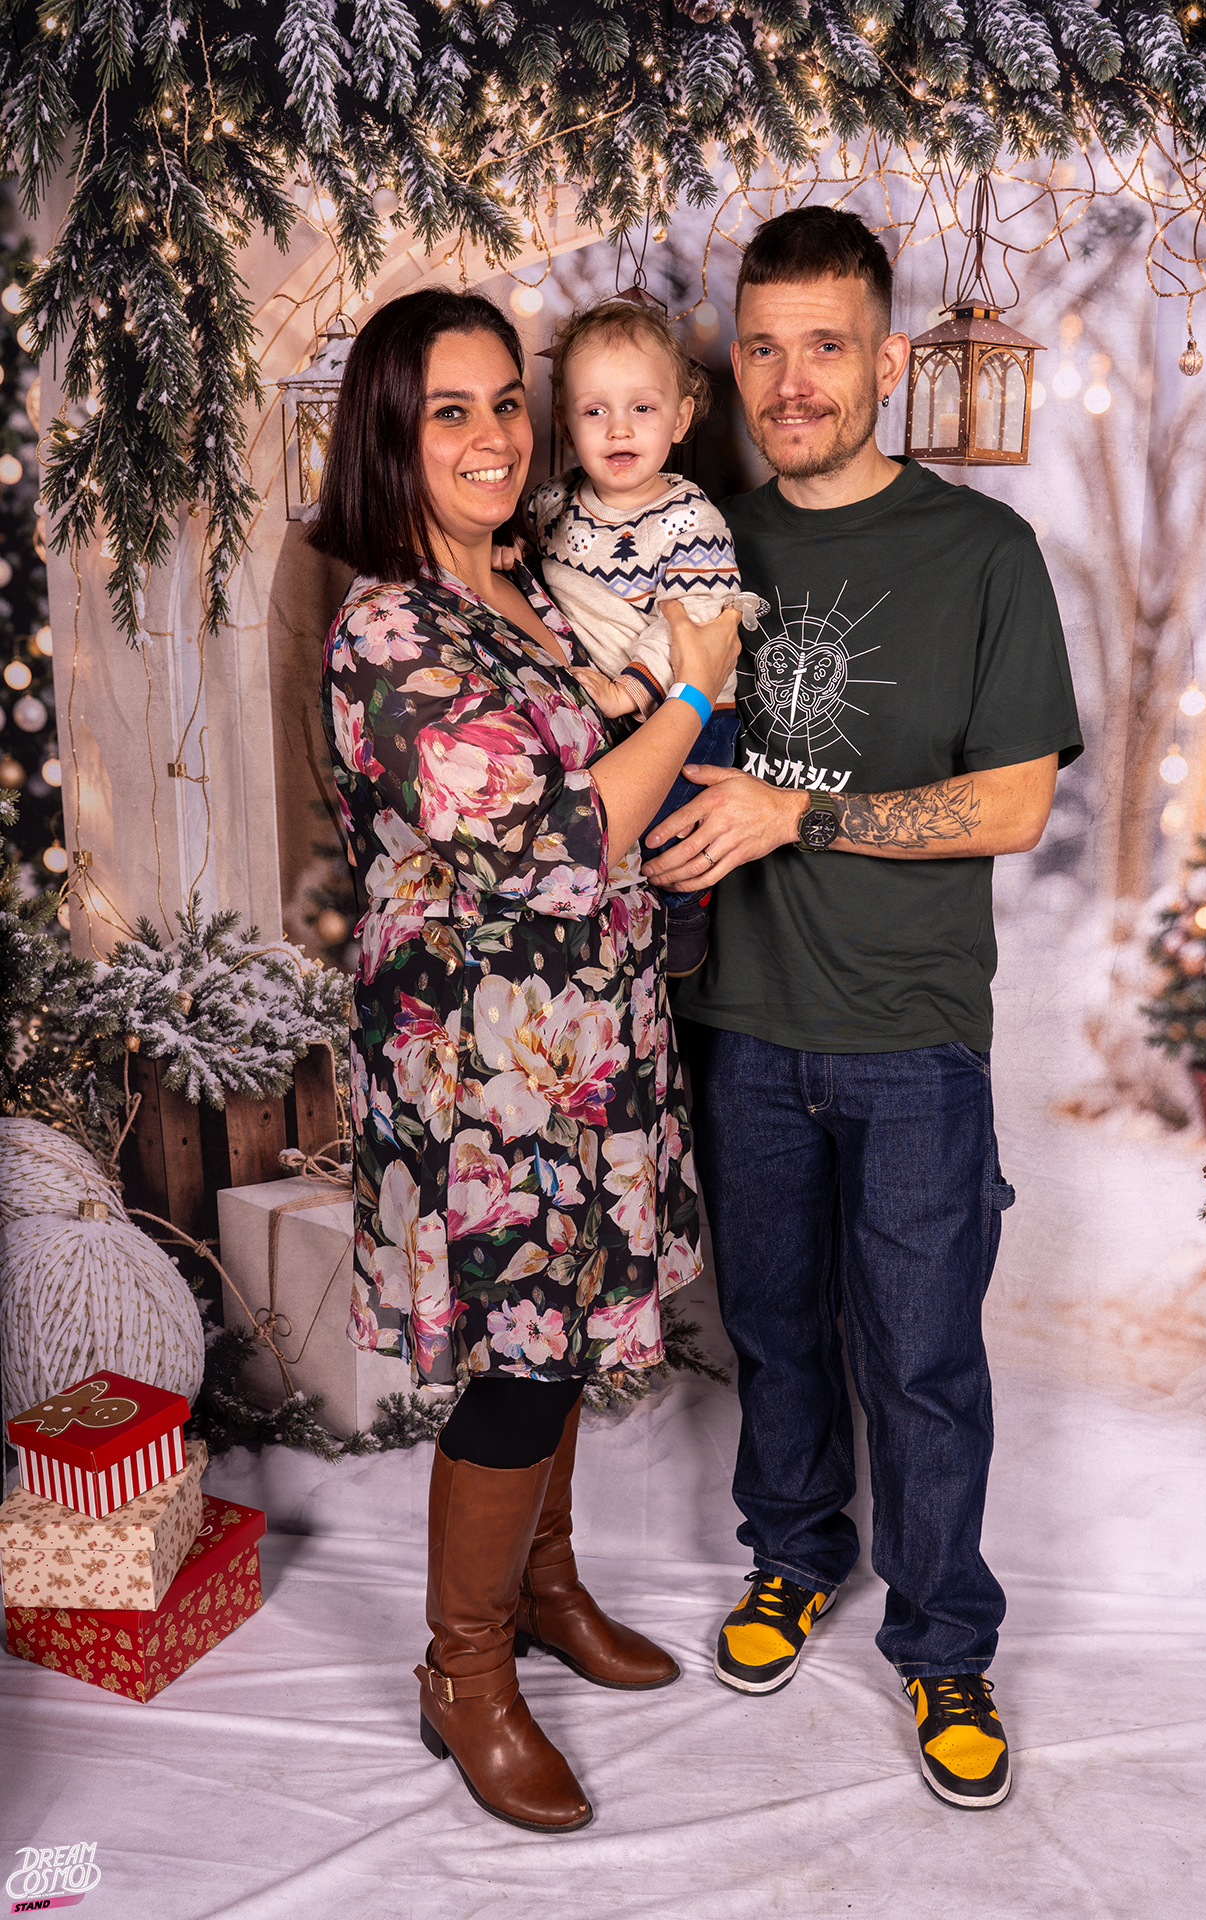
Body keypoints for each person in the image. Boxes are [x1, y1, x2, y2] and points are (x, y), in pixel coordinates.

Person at [645, 206, 1083, 1811]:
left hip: (912, 1038)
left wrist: (798, 813)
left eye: (825, 346)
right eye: (762, 348)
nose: (790, 382)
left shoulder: (982, 554)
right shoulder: (697, 544)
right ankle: (794, 1557)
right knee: (772, 1333)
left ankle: (947, 1641)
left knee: (921, 1360)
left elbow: (1014, 803)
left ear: (888, 361)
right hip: (741, 1024)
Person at [311, 287, 739, 1834]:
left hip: (587, 1048)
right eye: (452, 411)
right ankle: (466, 1671)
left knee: (550, 1339)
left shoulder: (526, 591)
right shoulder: (388, 629)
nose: (495, 434)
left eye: (508, 400)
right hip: (482, 1080)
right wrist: (694, 691)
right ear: (392, 436)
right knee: (521, 1358)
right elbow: (558, 838)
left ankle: (546, 1588)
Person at [528, 297, 764, 976]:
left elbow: (693, 623)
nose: (619, 428)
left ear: (680, 418)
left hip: (692, 704)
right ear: (566, 421)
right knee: (612, 825)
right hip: (610, 700)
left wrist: (630, 692)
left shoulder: (688, 518)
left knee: (671, 830)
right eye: (594, 411)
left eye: (642, 408)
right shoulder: (552, 504)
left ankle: (687, 912)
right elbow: (526, 553)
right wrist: (503, 550)